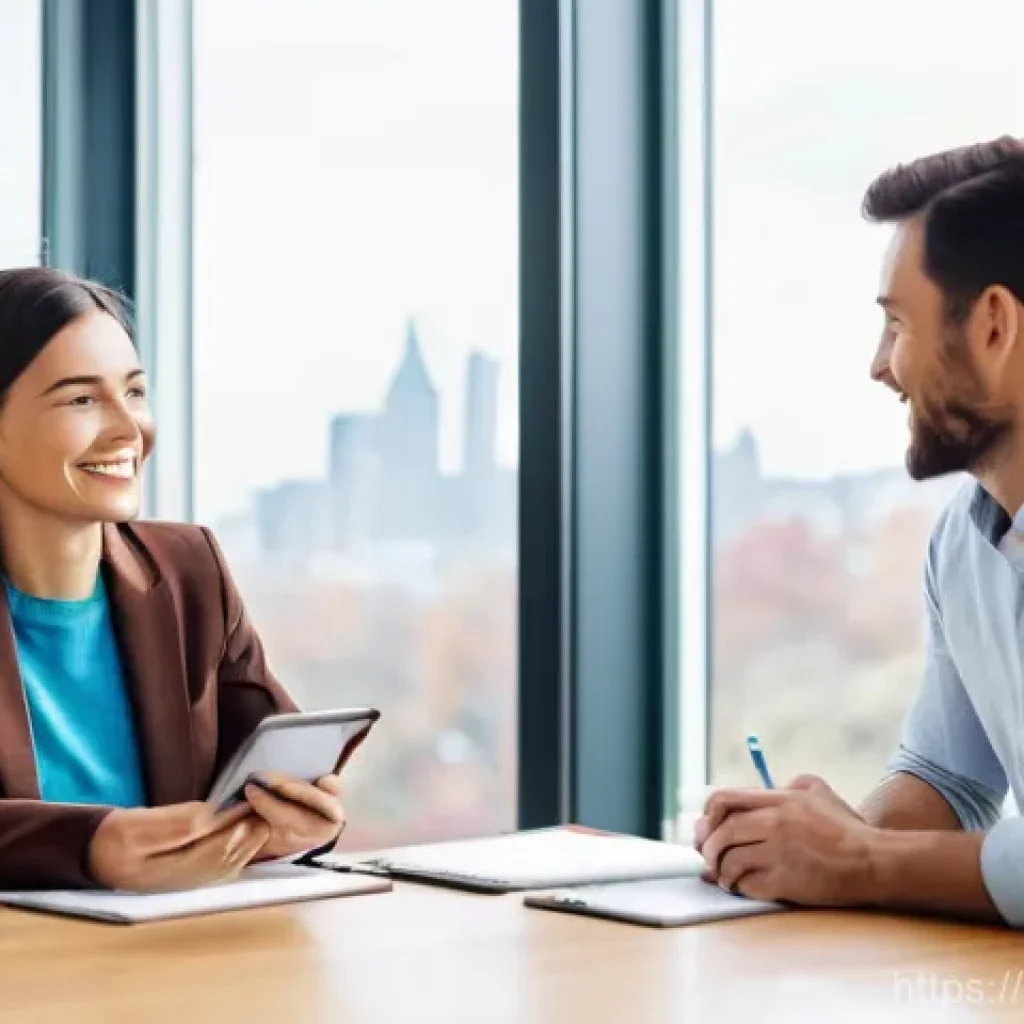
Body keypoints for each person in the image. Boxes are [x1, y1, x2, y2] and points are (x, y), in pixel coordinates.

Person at [695, 136, 1024, 927]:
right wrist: (809, 845)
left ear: (993, 325)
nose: (879, 366)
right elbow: (948, 775)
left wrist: (860, 861)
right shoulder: (962, 542)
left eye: (896, 325)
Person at [0, 267, 346, 891]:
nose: (128, 430)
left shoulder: (191, 570)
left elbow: (279, 772)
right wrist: (90, 846)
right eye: (81, 399)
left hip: (176, 954)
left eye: (133, 392)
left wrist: (302, 825)